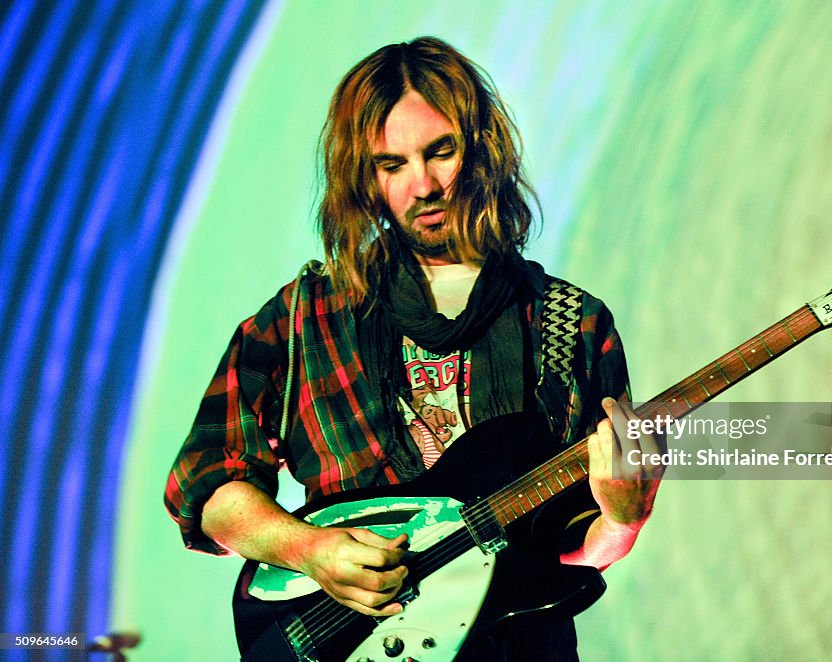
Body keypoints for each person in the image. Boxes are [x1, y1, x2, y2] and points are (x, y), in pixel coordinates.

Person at [165, 36, 661, 660]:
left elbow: (576, 550)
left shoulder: (572, 323)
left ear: (482, 150)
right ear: (363, 178)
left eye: (441, 152)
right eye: (391, 164)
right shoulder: (302, 317)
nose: (423, 185)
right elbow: (207, 484)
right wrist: (308, 550)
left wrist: (623, 519)